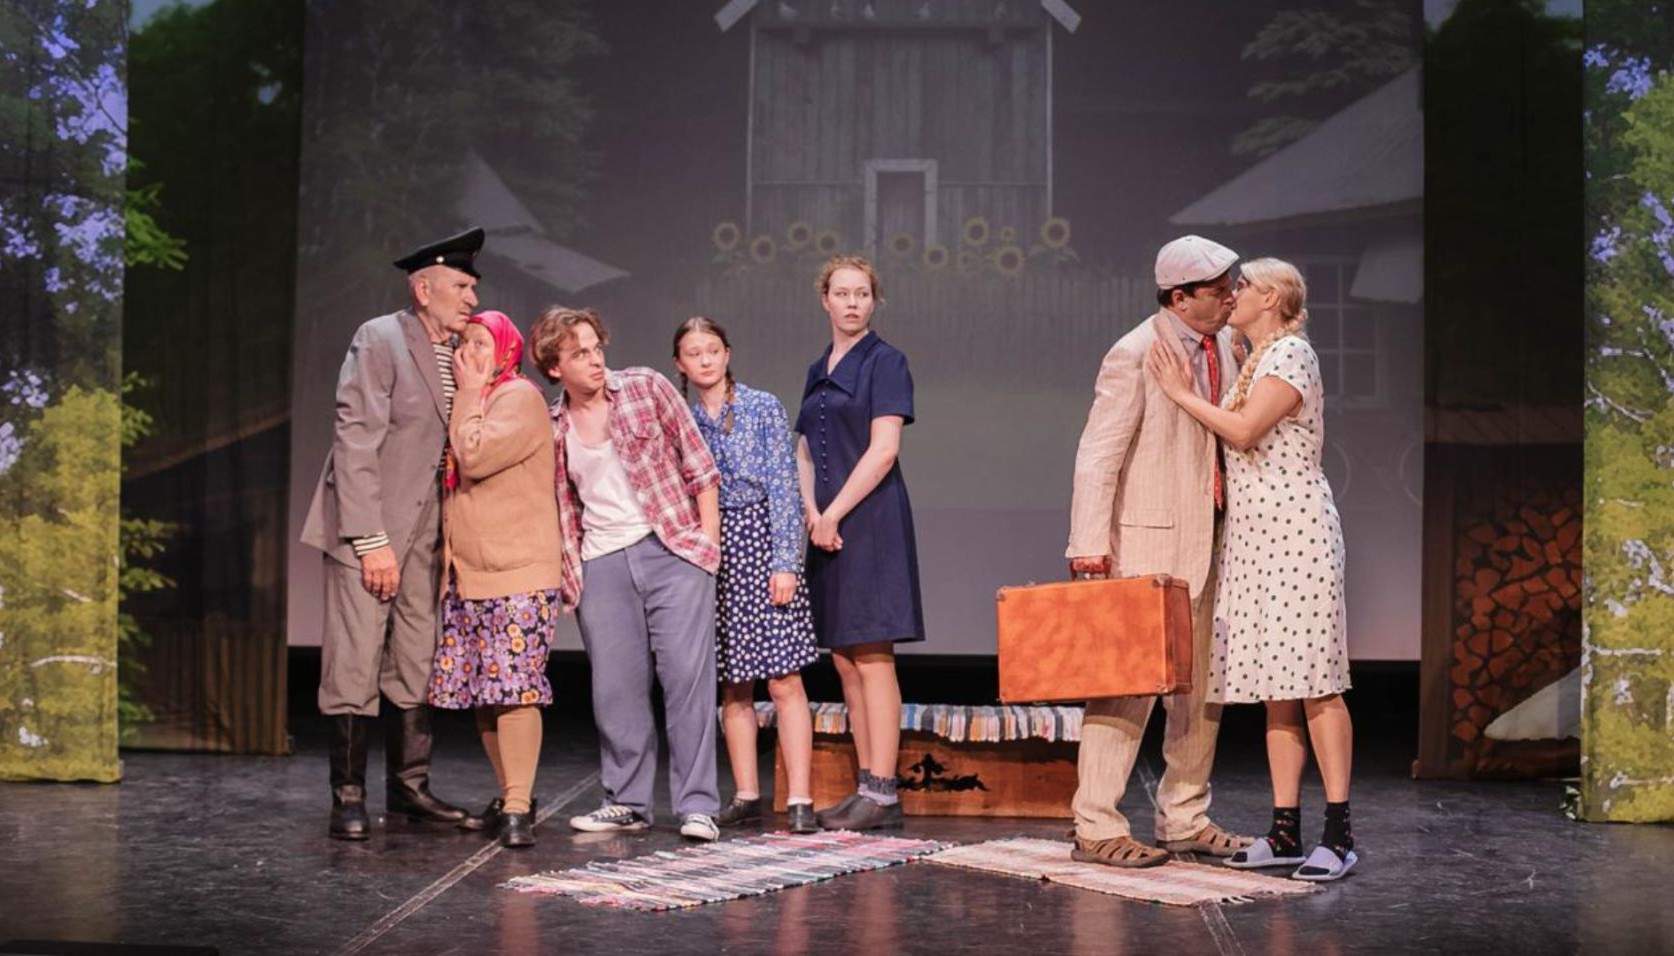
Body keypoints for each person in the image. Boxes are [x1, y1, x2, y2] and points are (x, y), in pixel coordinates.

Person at [1144, 257, 1356, 882]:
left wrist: (1181, 393)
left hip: (1298, 535)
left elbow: (1242, 431)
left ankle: (1339, 834)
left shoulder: (1292, 354)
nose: (1232, 293)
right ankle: (1285, 830)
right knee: (1277, 690)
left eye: (1244, 286)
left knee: (1317, 683)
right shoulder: (1257, 357)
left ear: (1272, 297)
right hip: (1257, 540)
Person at [1063, 235, 1252, 868]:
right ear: (1179, 298)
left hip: (1213, 541)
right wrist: (1090, 549)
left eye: (1231, 287)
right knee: (1126, 690)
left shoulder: (1225, 344)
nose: (1231, 298)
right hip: (1147, 548)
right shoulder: (1136, 352)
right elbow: (1098, 456)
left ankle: (1185, 816)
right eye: (1218, 291)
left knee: (1202, 691)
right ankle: (1096, 824)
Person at [300, 227, 485, 840]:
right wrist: (369, 538)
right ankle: (348, 795)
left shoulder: (460, 353)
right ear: (423, 289)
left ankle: (409, 789)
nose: (471, 298)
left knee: (414, 659)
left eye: (473, 288)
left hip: (427, 534)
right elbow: (355, 440)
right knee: (354, 661)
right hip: (370, 529)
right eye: (460, 287)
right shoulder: (381, 338)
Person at [532, 306, 726, 842]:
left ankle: (697, 806)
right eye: (580, 354)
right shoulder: (551, 425)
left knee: (686, 681)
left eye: (597, 348)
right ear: (555, 367)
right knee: (616, 689)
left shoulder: (646, 387)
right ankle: (626, 801)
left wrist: (706, 546)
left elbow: (699, 464)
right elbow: (563, 503)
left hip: (671, 549)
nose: (596, 361)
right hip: (602, 561)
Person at [672, 317, 821, 834]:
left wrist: (786, 562)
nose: (705, 360)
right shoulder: (684, 420)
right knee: (734, 683)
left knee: (783, 678)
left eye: (713, 349)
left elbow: (783, 485)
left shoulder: (761, 406)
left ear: (727, 353)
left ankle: (799, 797)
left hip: (763, 539)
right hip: (716, 551)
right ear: (680, 364)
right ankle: (746, 795)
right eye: (695, 352)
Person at [795, 256, 924, 832]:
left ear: (874, 301)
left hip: (869, 523)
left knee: (872, 656)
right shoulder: (817, 367)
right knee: (845, 659)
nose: (852, 303)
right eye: (842, 293)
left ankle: (885, 792)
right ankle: (867, 787)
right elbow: (803, 448)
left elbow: (884, 450)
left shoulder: (886, 361)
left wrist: (834, 513)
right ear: (824, 300)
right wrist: (810, 512)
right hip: (826, 526)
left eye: (862, 294)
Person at [426, 311, 560, 849]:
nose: (470, 353)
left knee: (515, 690)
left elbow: (475, 456)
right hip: (469, 574)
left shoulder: (518, 397)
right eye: (465, 343)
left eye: (482, 342)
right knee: (483, 693)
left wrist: (468, 392)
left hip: (517, 573)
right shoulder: (476, 399)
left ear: (505, 349)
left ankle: (519, 808)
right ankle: (511, 796)